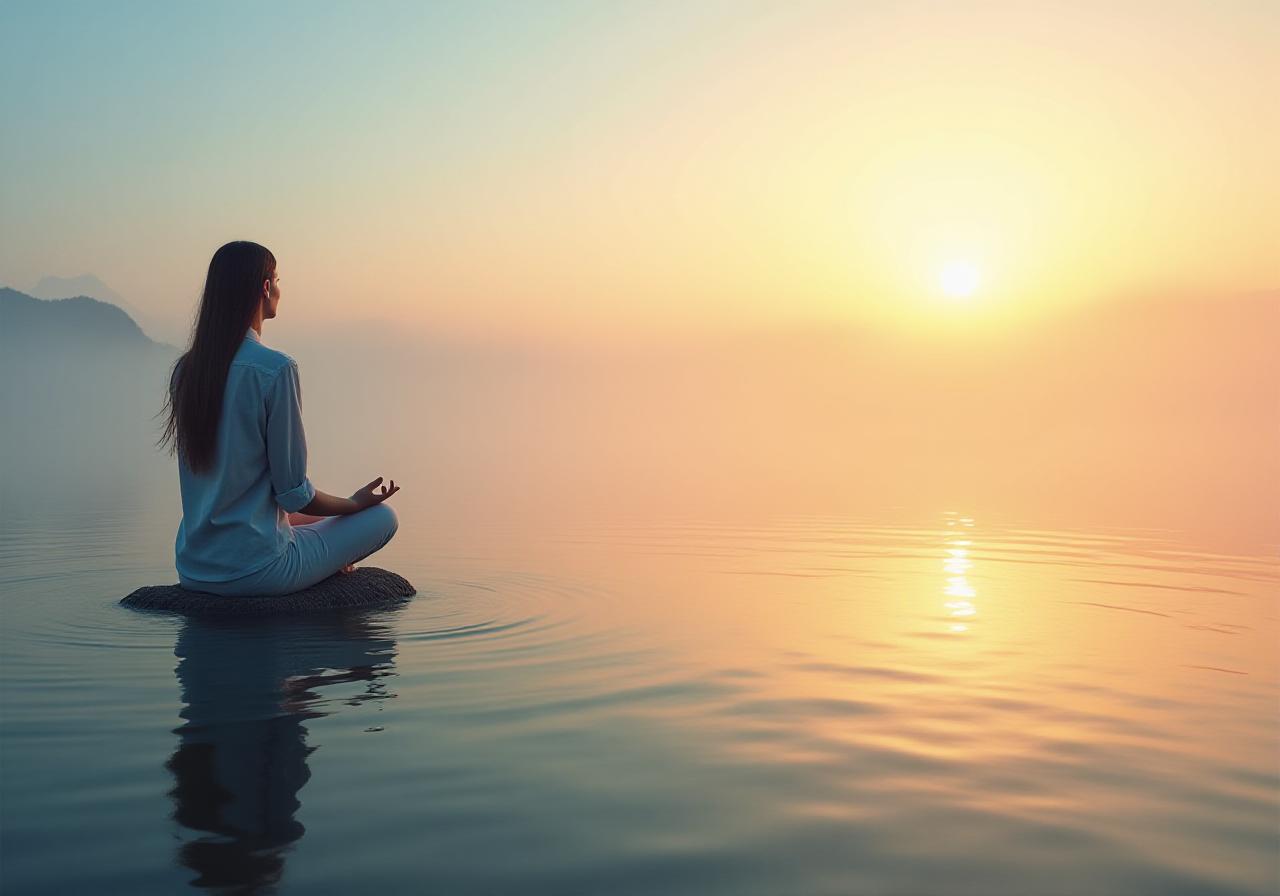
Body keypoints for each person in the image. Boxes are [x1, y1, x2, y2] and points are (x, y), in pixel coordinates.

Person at [160, 240, 400, 596]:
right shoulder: (274, 369)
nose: (279, 289)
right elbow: (293, 495)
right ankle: (330, 560)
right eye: (277, 279)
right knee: (382, 517)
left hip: (194, 569)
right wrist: (354, 503)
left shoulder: (187, 371)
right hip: (259, 570)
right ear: (265, 287)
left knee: (320, 519)